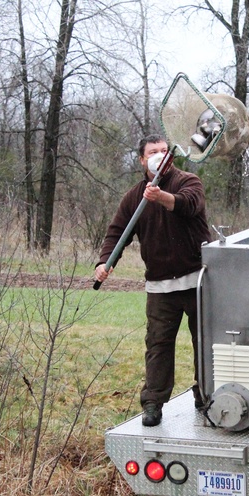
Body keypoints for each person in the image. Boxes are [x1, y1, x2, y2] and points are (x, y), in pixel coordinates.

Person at [95, 134, 211, 427]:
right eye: (153, 152)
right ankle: (153, 403)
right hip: (160, 287)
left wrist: (162, 197)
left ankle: (207, 395)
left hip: (198, 279)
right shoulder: (134, 197)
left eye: (164, 150)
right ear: (142, 159)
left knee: (206, 341)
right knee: (158, 346)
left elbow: (189, 205)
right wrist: (103, 263)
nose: (160, 155)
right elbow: (116, 232)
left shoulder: (189, 181)